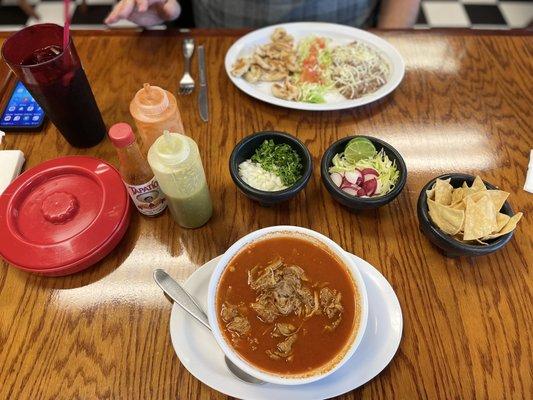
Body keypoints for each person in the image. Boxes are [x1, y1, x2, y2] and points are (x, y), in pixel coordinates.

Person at [105, 0, 421, 29]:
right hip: (219, 49)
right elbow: (169, 7)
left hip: (351, 40)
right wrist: (162, 11)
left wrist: (389, 42)